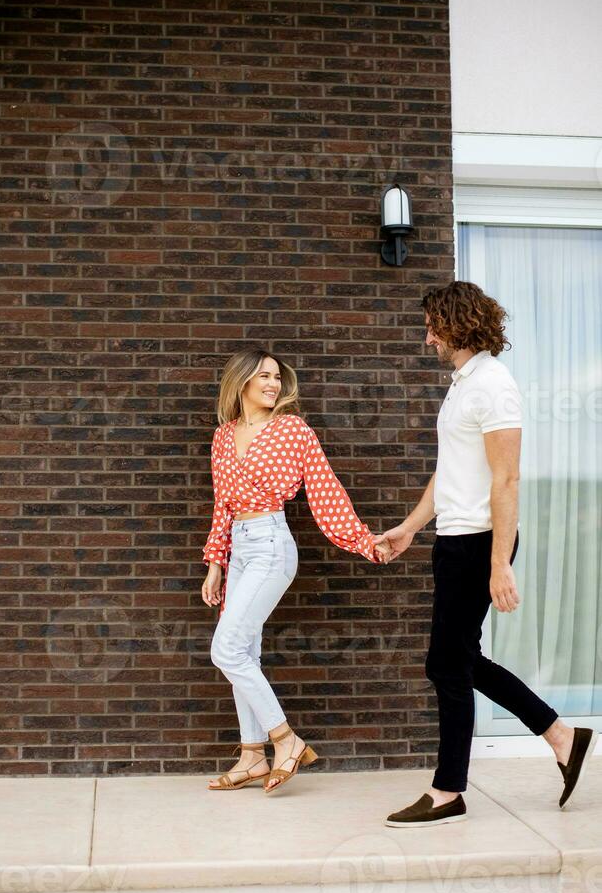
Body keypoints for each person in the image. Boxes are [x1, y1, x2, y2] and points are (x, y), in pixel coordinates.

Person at [382, 281, 598, 828]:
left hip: (480, 541)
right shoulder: (462, 384)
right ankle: (561, 735)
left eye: (433, 324)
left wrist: (500, 562)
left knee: (447, 664)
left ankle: (448, 790)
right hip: (455, 538)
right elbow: (450, 471)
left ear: (456, 324)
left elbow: (507, 478)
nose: (427, 336)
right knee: (456, 661)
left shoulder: (493, 385)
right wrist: (410, 528)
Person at [201, 347, 390, 794]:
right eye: (263, 376)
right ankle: (252, 755)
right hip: (240, 551)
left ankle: (285, 739)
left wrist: (363, 540)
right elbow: (221, 506)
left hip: (270, 545)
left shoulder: (292, 430)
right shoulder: (223, 437)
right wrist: (215, 565)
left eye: (277, 378)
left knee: (225, 650)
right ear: (241, 382)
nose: (273, 384)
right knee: (245, 653)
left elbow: (326, 492)